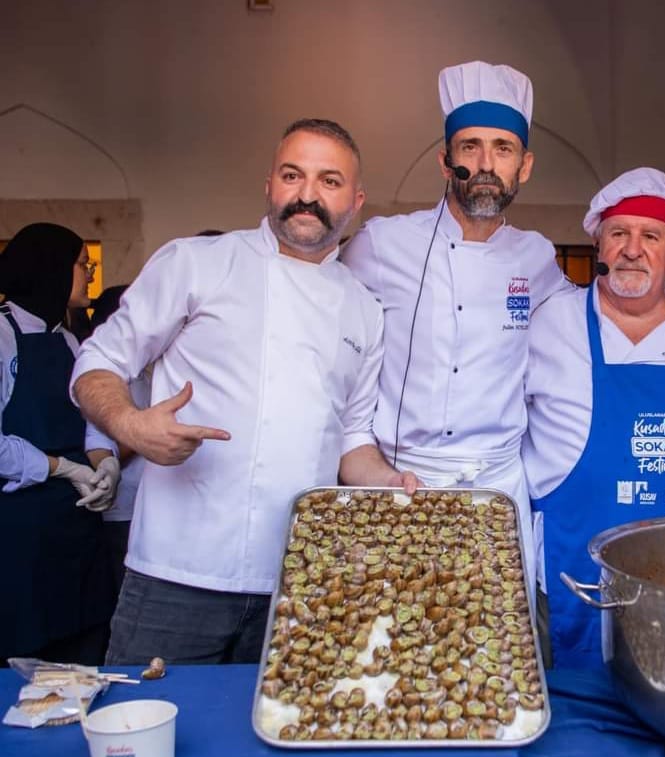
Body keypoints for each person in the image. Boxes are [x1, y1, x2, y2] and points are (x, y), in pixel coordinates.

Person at [72, 119, 416, 665]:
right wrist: (131, 425)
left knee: (273, 743)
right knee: (139, 732)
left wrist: (392, 482)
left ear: (356, 201)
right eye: (292, 175)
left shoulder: (364, 310)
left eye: (329, 181)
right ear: (269, 185)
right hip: (174, 577)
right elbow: (98, 360)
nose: (307, 195)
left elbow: (352, 439)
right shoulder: (197, 262)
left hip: (300, 584)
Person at [340, 61, 572, 587]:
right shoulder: (381, 244)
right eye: (470, 147)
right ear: (447, 162)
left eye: (503, 148)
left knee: (500, 645)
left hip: (497, 486)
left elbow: (585, 327)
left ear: (525, 165)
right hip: (399, 482)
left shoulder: (537, 257)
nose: (486, 163)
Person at [523, 168, 665, 667]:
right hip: (567, 577)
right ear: (600, 245)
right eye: (619, 234)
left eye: (650, 236)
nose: (633, 249)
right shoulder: (549, 324)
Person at [0, 222, 119, 662]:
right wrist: (65, 468)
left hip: (77, 520)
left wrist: (104, 462)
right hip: (20, 527)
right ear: (50, 268)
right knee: (27, 656)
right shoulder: (2, 336)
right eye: (82, 265)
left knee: (85, 647)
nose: (89, 275)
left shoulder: (69, 340)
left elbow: (90, 416)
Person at [86, 285, 147, 600]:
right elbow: (100, 448)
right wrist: (142, 433)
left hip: (145, 508)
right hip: (121, 511)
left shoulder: (143, 375)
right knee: (125, 595)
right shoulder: (100, 381)